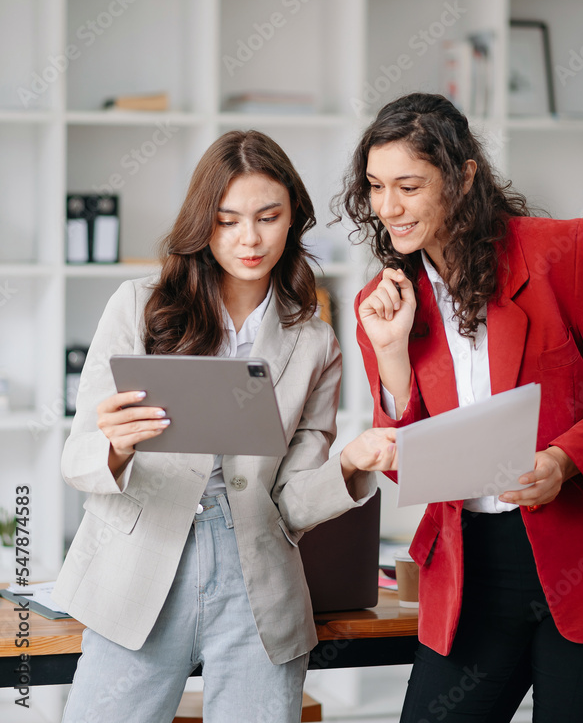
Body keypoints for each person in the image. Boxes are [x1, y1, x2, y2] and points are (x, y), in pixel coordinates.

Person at [336, 92, 583, 723]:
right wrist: (391, 355)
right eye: (376, 187)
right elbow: (411, 468)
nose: (389, 209)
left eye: (409, 186)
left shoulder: (560, 254)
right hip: (470, 574)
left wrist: (564, 461)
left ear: (463, 177)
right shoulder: (385, 305)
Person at [53, 130, 396, 723]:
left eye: (269, 217)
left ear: (294, 219)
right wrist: (112, 446)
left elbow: (292, 502)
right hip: (141, 567)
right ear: (202, 224)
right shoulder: (138, 307)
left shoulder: (313, 340)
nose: (250, 239)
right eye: (228, 220)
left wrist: (349, 463)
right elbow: (77, 459)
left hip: (256, 579)